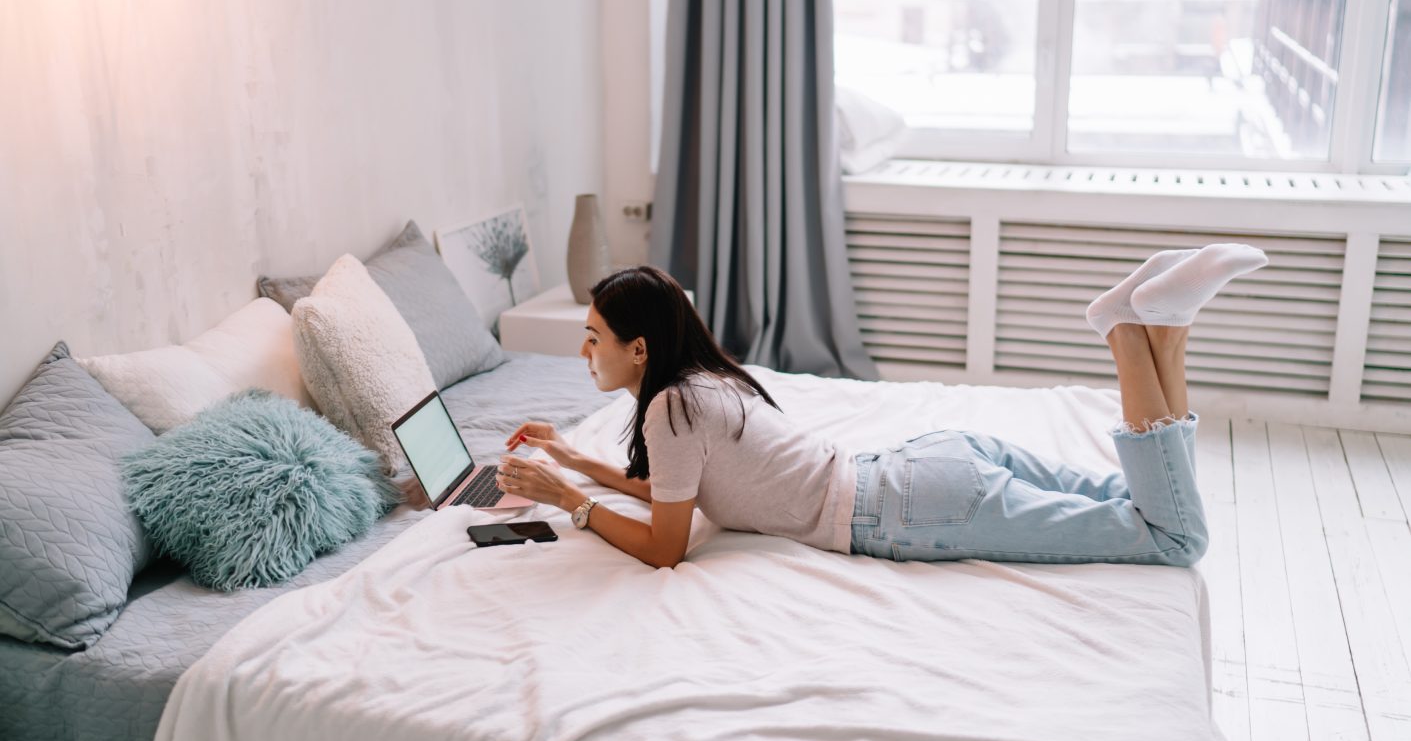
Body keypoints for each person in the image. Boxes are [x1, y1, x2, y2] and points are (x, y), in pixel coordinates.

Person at [495, 245, 1268, 570]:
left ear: (638, 350)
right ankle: (1166, 330)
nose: (582, 352)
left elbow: (667, 546)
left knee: (1172, 538)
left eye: (593, 337)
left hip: (904, 509)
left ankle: (1130, 337)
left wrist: (572, 504)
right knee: (1147, 505)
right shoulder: (704, 385)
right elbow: (672, 492)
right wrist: (574, 458)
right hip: (929, 463)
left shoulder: (670, 411)